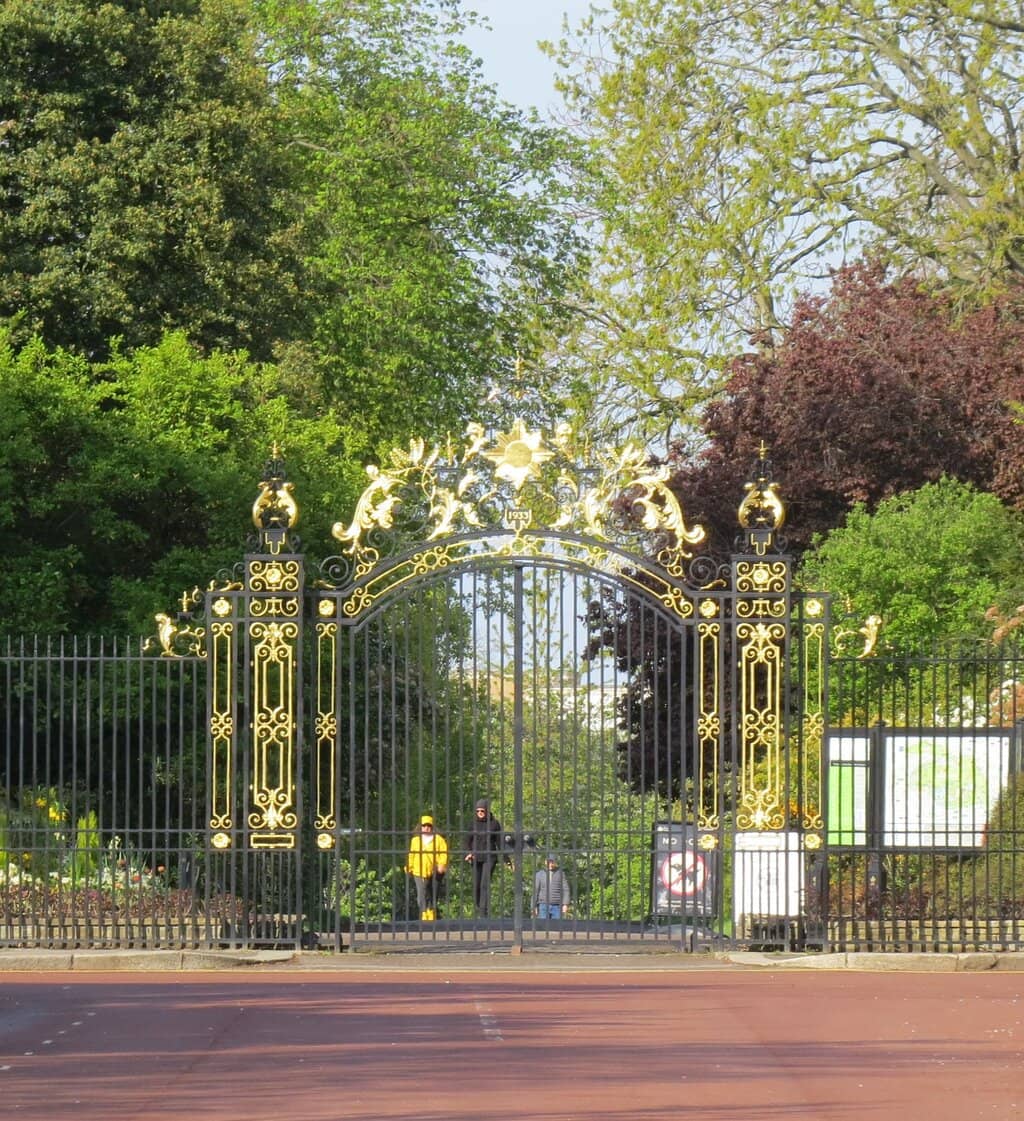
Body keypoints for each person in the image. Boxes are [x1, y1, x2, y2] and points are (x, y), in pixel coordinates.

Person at [464, 798, 504, 917]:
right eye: (477, 811)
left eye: (482, 810)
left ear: (487, 810)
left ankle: (483, 912)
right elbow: (466, 841)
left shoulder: (494, 824)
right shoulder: (472, 824)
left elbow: (500, 842)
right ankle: (478, 906)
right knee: (476, 885)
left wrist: (507, 859)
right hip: (476, 858)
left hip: (489, 857)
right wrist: (468, 853)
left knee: (484, 884)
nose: (480, 813)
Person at [405, 814, 448, 921]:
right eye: (424, 825)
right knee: (421, 895)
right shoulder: (415, 840)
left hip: (435, 871)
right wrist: (409, 866)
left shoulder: (439, 840)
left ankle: (431, 914)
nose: (426, 828)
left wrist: (442, 865)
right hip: (418, 870)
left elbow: (443, 854)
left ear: (432, 826)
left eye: (429, 825)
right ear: (421, 827)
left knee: (433, 894)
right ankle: (424, 914)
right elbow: (412, 854)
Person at [533, 853, 572, 920]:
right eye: (549, 862)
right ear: (545, 862)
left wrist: (565, 904)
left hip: (557, 906)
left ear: (555, 862)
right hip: (543, 906)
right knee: (543, 928)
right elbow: (535, 891)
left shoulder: (560, 873)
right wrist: (534, 906)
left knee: (556, 928)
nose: (550, 864)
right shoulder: (539, 874)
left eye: (552, 862)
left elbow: (566, 889)